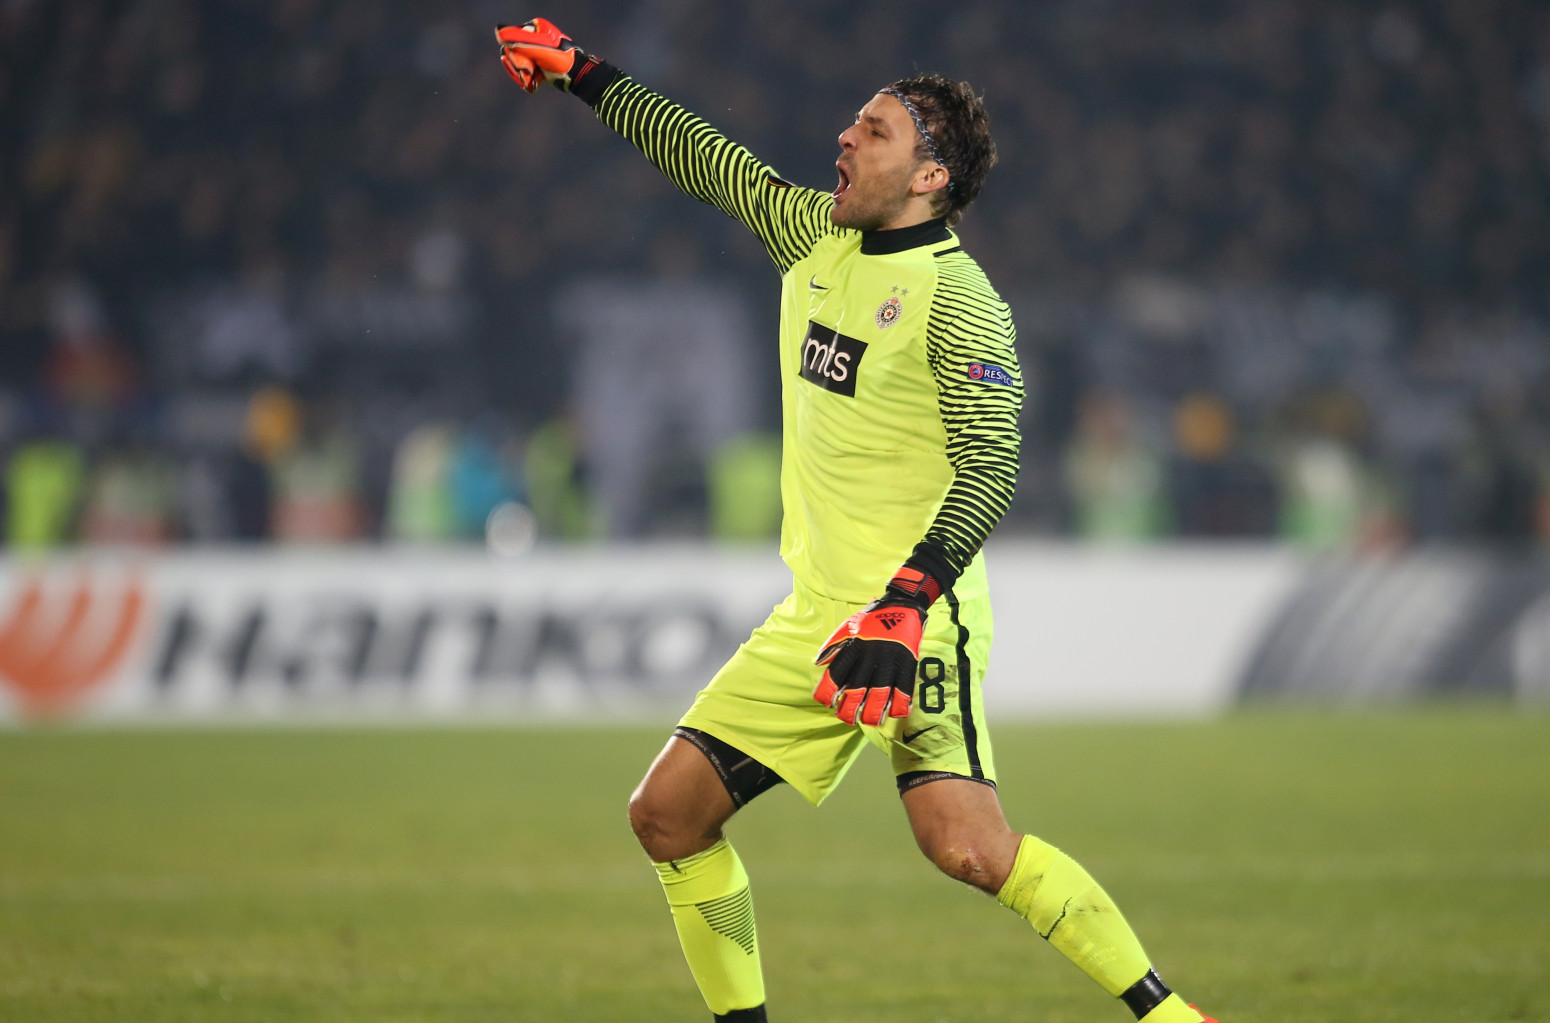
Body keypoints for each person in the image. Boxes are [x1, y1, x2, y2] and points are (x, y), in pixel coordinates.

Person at [495, 19, 1219, 1023]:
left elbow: (991, 466)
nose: (844, 137)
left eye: (873, 131)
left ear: (929, 176)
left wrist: (906, 604)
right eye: (853, 122)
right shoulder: (815, 237)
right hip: (815, 616)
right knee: (666, 817)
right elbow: (705, 157)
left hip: (916, 616)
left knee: (967, 848)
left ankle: (1174, 1019)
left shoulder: (959, 301)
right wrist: (584, 74)